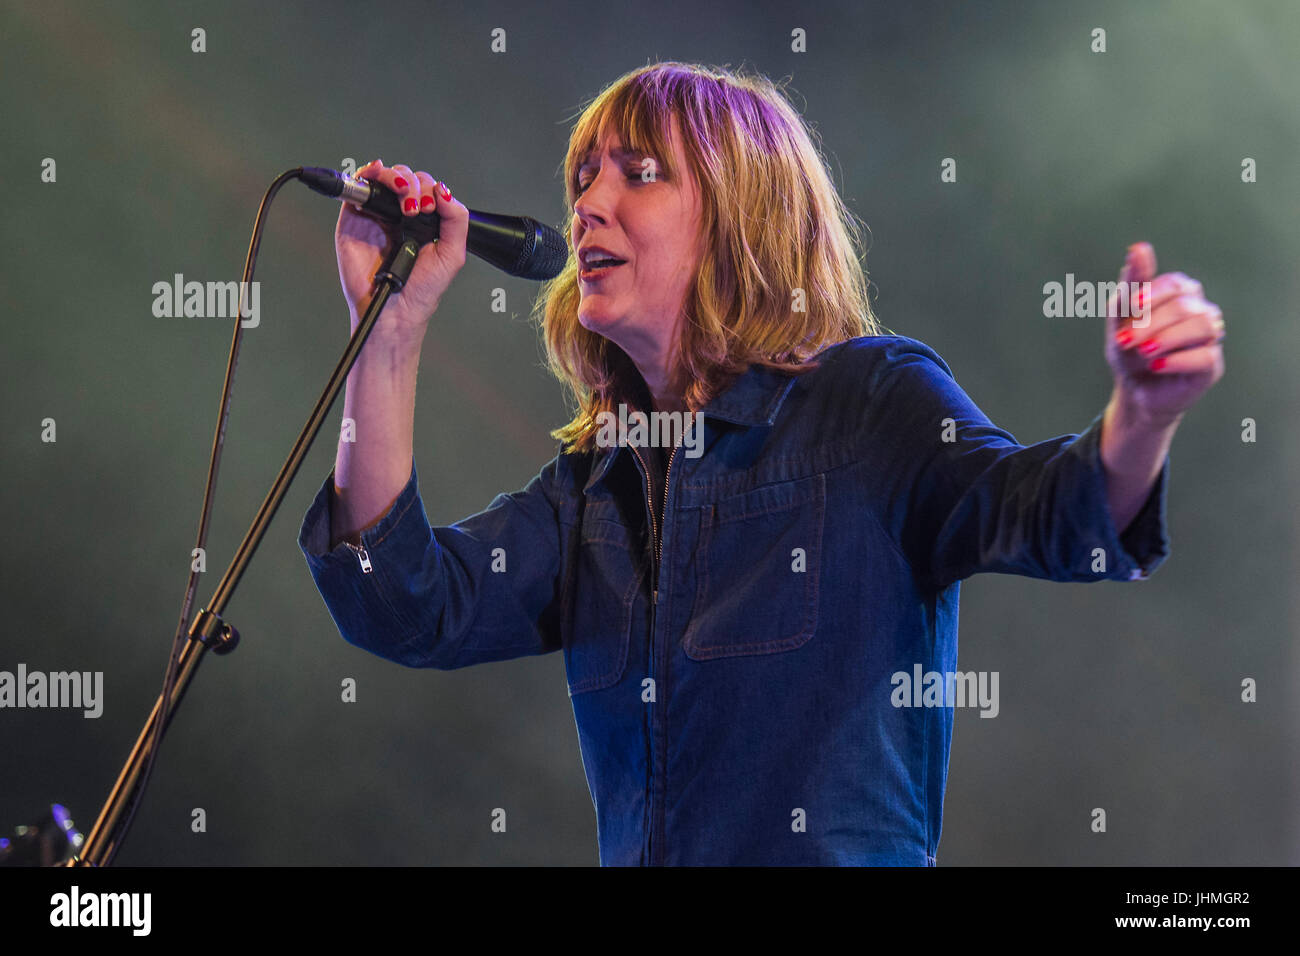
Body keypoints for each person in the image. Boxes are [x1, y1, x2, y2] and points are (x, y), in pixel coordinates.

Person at [298, 62, 1225, 865]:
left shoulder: (870, 402)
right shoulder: (599, 485)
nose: (587, 203)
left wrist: (1141, 415)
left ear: (743, 214)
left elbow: (1054, 513)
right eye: (583, 175)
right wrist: (385, 332)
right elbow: (404, 604)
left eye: (640, 173)